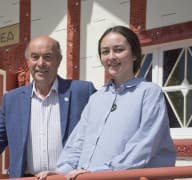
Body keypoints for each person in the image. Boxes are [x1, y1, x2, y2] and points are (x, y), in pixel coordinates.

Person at [0, 36, 96, 180]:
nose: (40, 63)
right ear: (28, 61)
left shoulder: (82, 92)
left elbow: (101, 133)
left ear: (59, 60)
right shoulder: (12, 100)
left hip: (70, 178)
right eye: (35, 57)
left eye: (48, 57)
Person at [36, 26, 176, 180]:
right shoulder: (97, 98)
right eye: (105, 52)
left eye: (118, 49)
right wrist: (63, 170)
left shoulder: (149, 93)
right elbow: (78, 140)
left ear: (135, 54)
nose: (111, 57)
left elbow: (145, 144)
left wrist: (103, 171)